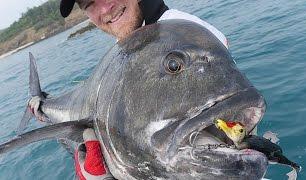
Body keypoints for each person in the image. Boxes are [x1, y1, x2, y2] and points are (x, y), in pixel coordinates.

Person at [29, 0, 229, 179]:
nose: (105, 8)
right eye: (89, 3)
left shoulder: (185, 32)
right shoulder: (126, 45)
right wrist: (43, 103)